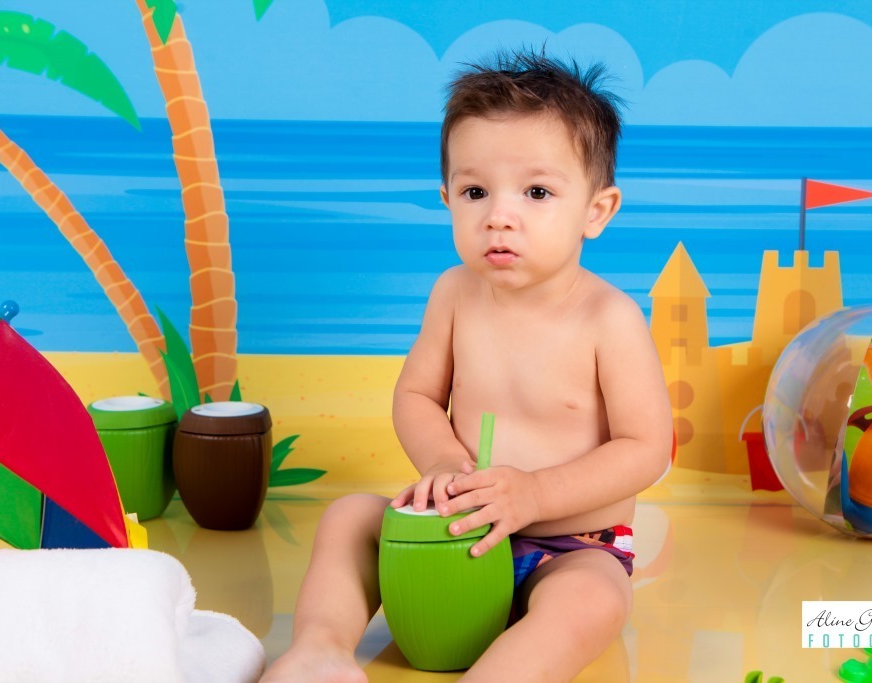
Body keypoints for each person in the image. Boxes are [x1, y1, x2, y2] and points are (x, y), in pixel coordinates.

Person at [261, 49, 673, 683]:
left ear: (596, 211)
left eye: (537, 192)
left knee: (594, 599)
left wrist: (535, 494)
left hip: (569, 547)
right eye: (475, 191)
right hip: (452, 532)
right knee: (350, 518)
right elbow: (417, 397)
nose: (498, 216)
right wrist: (443, 464)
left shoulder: (609, 318)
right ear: (448, 197)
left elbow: (646, 448)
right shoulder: (454, 294)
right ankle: (322, 647)